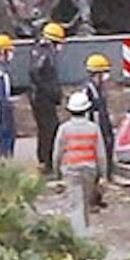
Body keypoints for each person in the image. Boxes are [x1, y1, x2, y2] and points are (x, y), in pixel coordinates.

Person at [53, 90, 106, 235]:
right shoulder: (93, 128)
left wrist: (56, 173)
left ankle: (78, 235)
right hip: (89, 170)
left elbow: (57, 153)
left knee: (75, 203)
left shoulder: (64, 129)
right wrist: (103, 175)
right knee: (85, 203)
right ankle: (84, 231)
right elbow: (100, 154)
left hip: (71, 170)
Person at [31, 22, 65, 175]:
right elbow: (38, 74)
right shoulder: (46, 54)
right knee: (50, 130)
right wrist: (52, 92)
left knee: (45, 130)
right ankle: (48, 163)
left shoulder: (38, 50)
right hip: (43, 99)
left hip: (40, 97)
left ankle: (44, 161)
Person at [83, 54, 116, 182]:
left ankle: (107, 173)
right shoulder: (89, 90)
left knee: (109, 144)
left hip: (102, 123)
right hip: (95, 126)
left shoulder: (99, 88)